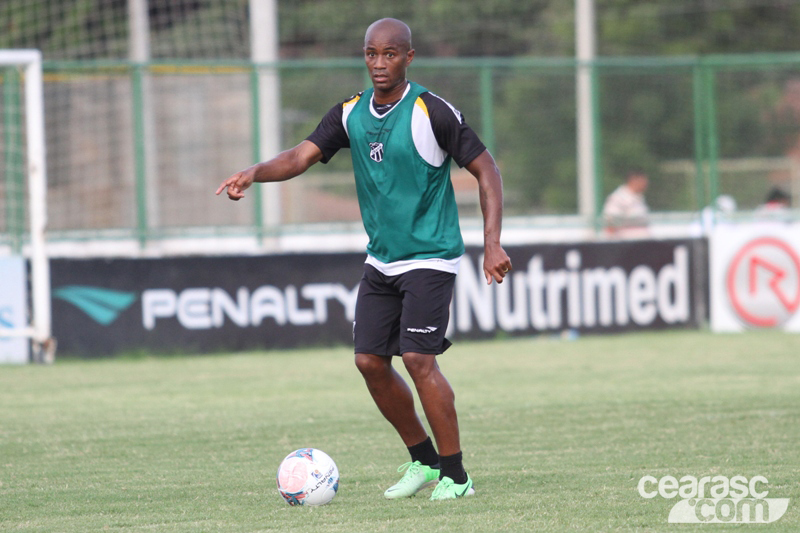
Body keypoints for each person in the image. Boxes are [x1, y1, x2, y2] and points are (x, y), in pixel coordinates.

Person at [216, 18, 512, 501]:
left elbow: (487, 170)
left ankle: (457, 477)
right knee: (370, 362)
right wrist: (254, 172)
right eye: (371, 54)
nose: (379, 63)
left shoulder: (430, 111)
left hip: (430, 257)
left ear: (408, 58)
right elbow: (300, 157)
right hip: (382, 260)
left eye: (390, 54)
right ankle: (424, 463)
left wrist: (492, 242)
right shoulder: (350, 113)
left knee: (418, 358)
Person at [602, 170, 650, 238]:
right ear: (634, 180)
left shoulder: (639, 198)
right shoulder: (619, 198)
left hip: (640, 243)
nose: (646, 183)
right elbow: (611, 223)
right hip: (626, 244)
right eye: (643, 180)